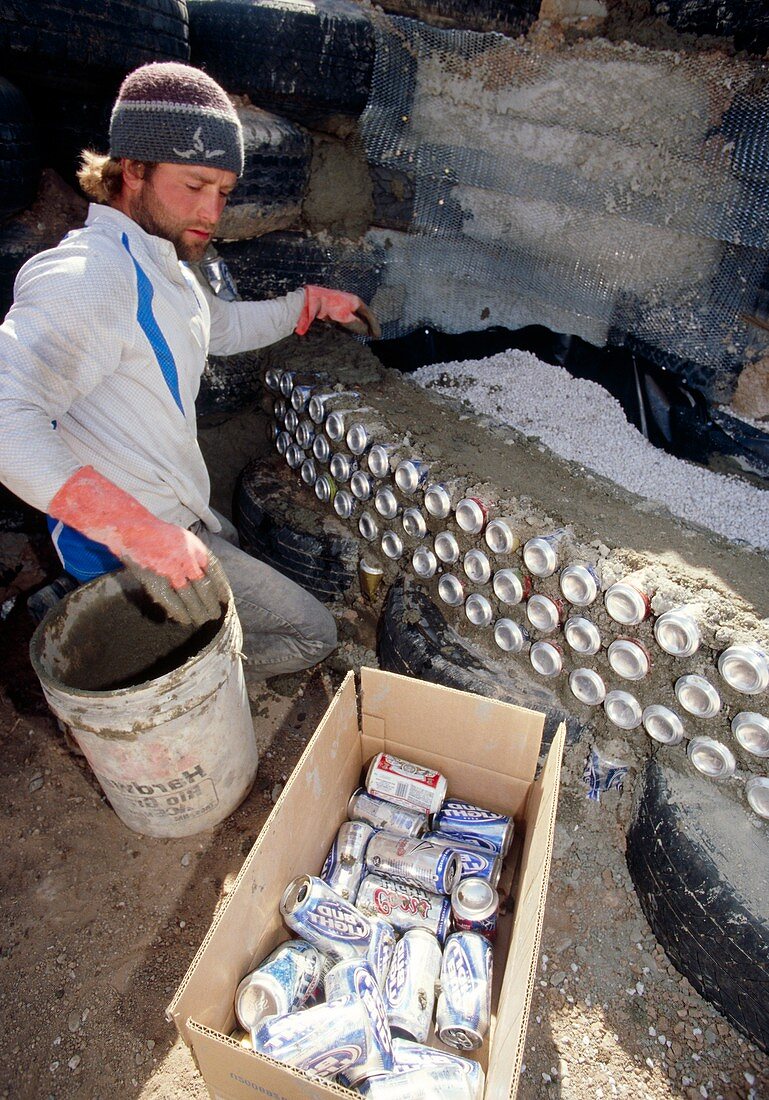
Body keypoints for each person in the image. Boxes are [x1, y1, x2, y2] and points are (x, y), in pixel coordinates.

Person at [0, 61, 380, 681]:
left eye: (224, 193)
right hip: (121, 547)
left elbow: (217, 326)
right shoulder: (92, 276)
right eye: (194, 184)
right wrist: (140, 533)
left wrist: (308, 303)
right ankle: (152, 680)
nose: (212, 212)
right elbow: (3, 417)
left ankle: (159, 651)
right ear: (132, 170)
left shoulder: (164, 265)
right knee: (311, 632)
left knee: (241, 585)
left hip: (173, 519)